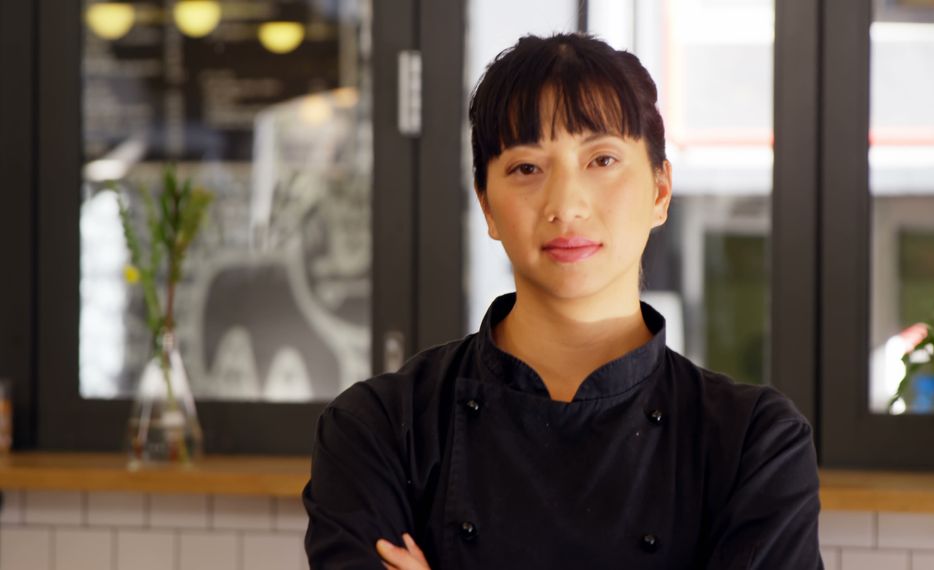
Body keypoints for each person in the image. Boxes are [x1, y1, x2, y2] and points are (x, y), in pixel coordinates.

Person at [303, 32, 822, 569]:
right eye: (527, 168)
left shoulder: (753, 445)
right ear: (487, 206)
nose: (565, 204)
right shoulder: (380, 429)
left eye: (601, 160)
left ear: (660, 192)